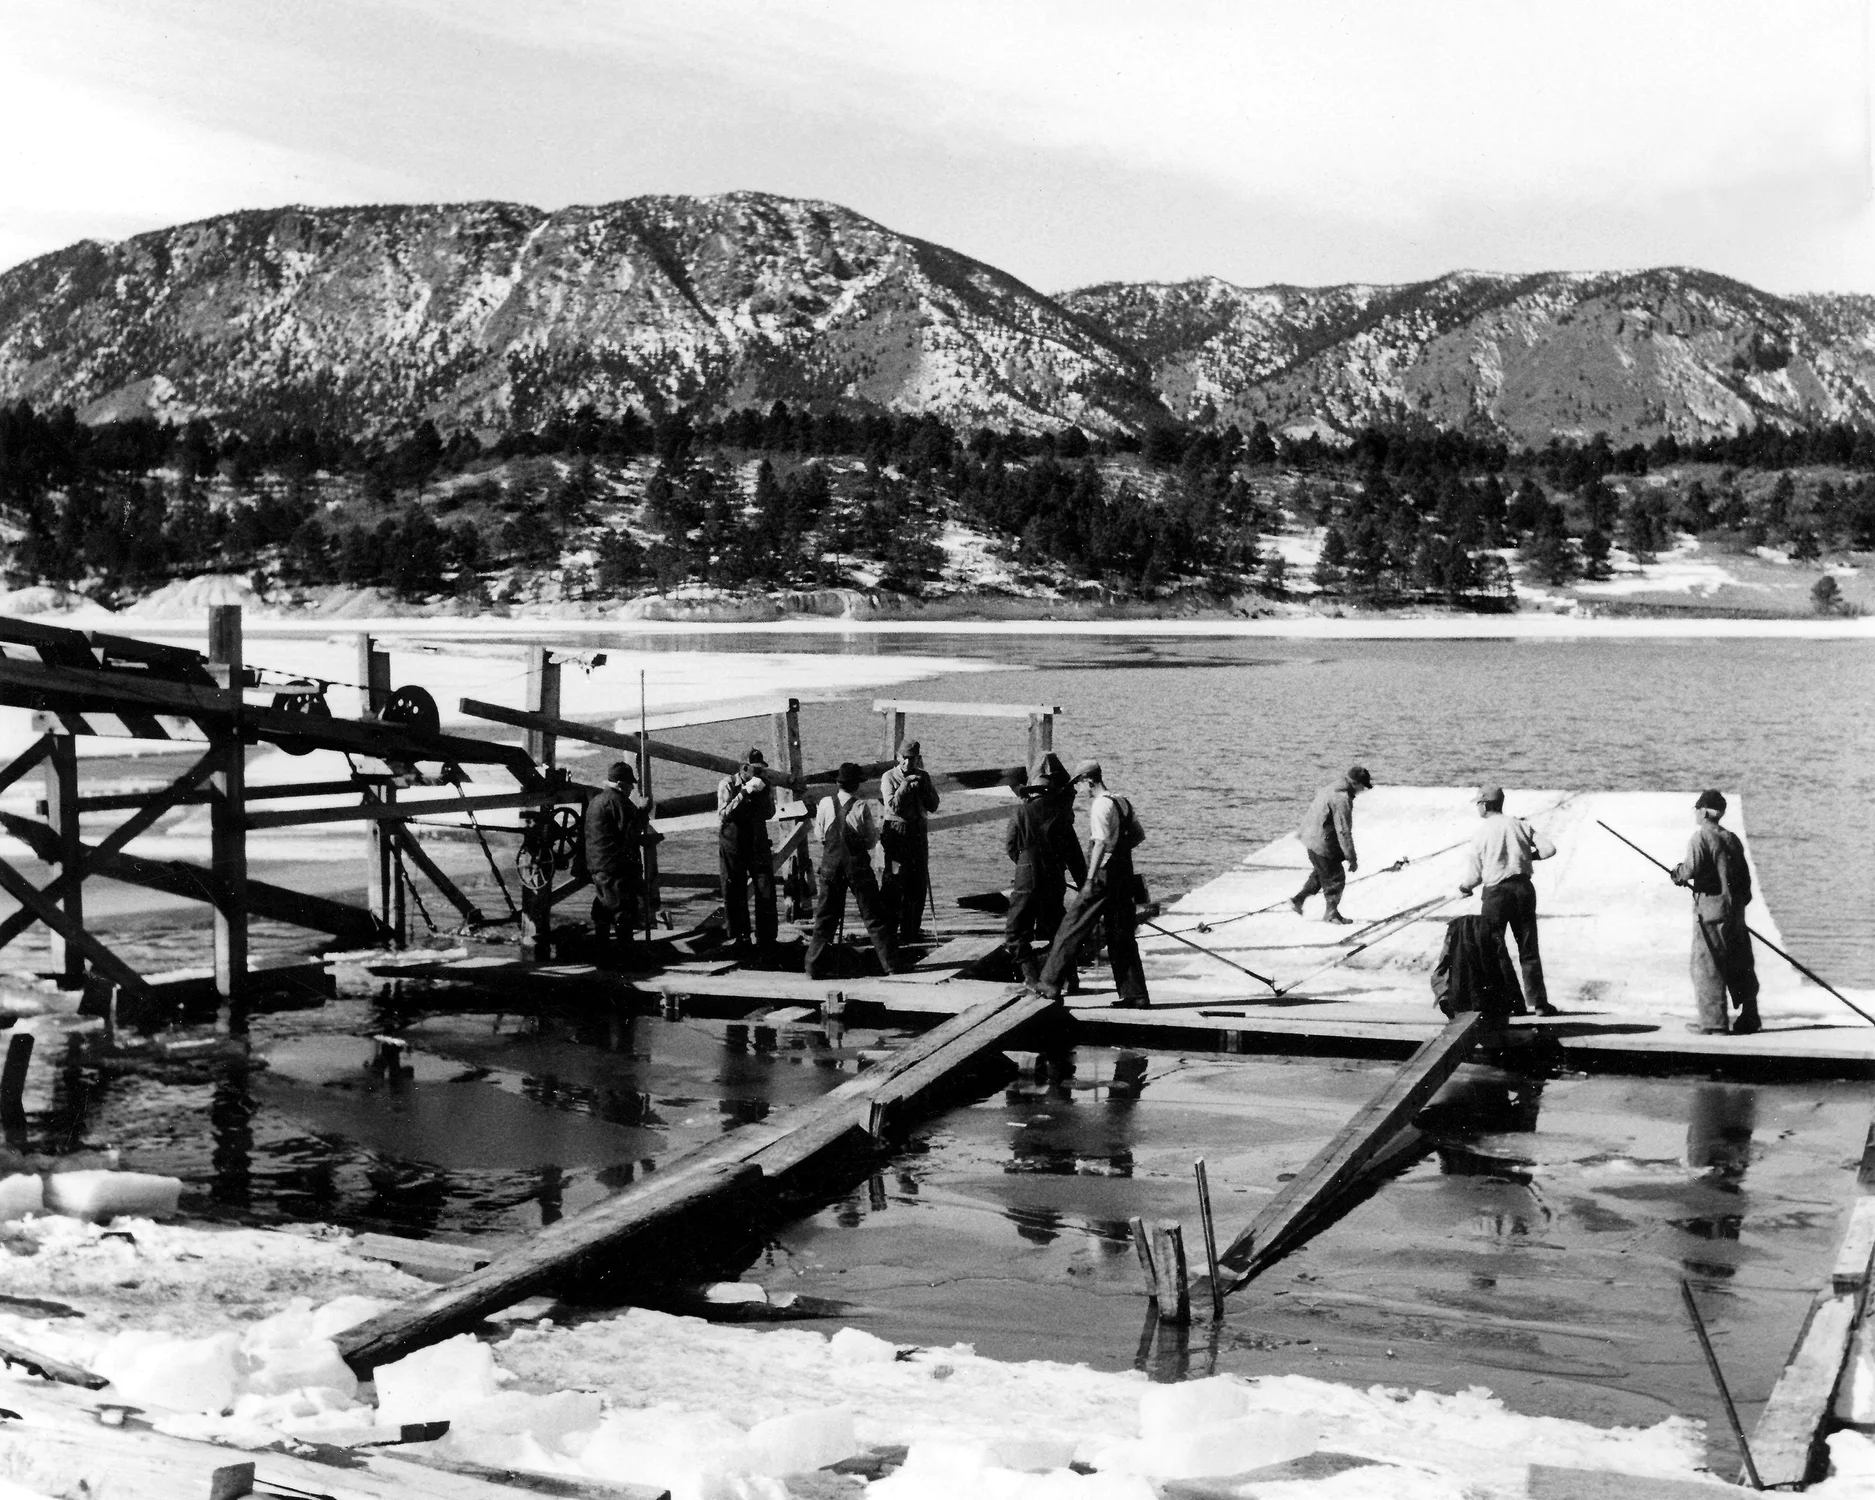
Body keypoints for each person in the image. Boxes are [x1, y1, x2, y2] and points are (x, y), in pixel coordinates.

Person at [1033, 760, 1149, 1007]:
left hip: (1103, 877)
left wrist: (1089, 880)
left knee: (1071, 927)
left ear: (1088, 780)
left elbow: (1099, 844)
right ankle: (1135, 994)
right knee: (1121, 934)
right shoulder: (1122, 801)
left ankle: (1049, 984)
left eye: (1079, 784)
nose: (1080, 791)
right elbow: (1138, 836)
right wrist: (1119, 853)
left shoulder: (1100, 806)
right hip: (1124, 875)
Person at [1457, 785, 1559, 1016]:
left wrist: (1464, 888)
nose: (1477, 808)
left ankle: (1512, 1003)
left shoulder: (1482, 832)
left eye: (1478, 804)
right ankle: (1540, 1003)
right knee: (1528, 947)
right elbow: (1549, 849)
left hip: (1496, 894)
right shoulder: (1520, 824)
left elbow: (1474, 875)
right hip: (1524, 889)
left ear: (1485, 805)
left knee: (1494, 948)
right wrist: (1527, 858)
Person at [1670, 789, 1761, 1036]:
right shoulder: (1732, 839)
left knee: (1707, 966)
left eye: (1697, 809)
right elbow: (1745, 881)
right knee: (1740, 964)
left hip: (1710, 912)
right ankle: (1749, 1018)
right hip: (1735, 912)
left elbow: (1691, 869)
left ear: (1703, 811)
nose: (1696, 814)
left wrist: (1677, 873)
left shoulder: (1700, 837)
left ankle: (1714, 1023)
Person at [804, 762, 897, 978]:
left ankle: (812, 967)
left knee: (825, 917)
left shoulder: (825, 803)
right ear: (856, 785)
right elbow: (871, 841)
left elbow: (820, 835)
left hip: (830, 864)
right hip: (857, 867)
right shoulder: (860, 807)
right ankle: (891, 966)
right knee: (874, 915)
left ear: (838, 783)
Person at [1003, 753, 1086, 985]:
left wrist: (1025, 864)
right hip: (1054, 879)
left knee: (1015, 934)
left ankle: (1031, 979)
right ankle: (1069, 979)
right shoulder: (1061, 815)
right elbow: (1075, 858)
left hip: (1026, 879)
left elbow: (1010, 847)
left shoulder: (1021, 812)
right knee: (1058, 933)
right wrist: (1085, 887)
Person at [585, 760, 655, 957]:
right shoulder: (619, 801)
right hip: (616, 867)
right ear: (622, 784)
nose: (633, 788)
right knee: (623, 910)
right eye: (630, 784)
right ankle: (625, 956)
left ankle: (603, 957)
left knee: (603, 911)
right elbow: (630, 832)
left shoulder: (596, 801)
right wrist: (643, 811)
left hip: (597, 865)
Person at [1290, 766, 1373, 924]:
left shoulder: (1331, 787)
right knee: (1336, 878)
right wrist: (1351, 857)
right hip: (1322, 842)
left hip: (1311, 838)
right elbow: (1343, 831)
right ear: (1356, 783)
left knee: (1321, 874)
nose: (1363, 790)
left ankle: (1298, 900)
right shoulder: (1342, 799)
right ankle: (1331, 914)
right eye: (1363, 786)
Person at [879, 739, 941, 946]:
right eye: (904, 758)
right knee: (895, 882)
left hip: (917, 832)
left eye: (912, 759)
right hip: (897, 831)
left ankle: (911, 930)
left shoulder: (924, 776)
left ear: (918, 758)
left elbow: (934, 805)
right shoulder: (889, 777)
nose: (907, 763)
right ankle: (889, 931)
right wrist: (905, 785)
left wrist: (923, 788)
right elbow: (893, 806)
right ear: (898, 757)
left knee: (918, 882)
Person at [716, 747, 777, 953]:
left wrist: (763, 793)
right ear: (744, 768)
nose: (759, 773)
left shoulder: (765, 784)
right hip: (733, 843)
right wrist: (743, 793)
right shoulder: (728, 784)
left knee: (766, 889)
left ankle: (767, 938)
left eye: (761, 770)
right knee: (733, 890)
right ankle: (739, 937)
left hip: (757, 841)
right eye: (755, 769)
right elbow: (723, 813)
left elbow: (770, 813)